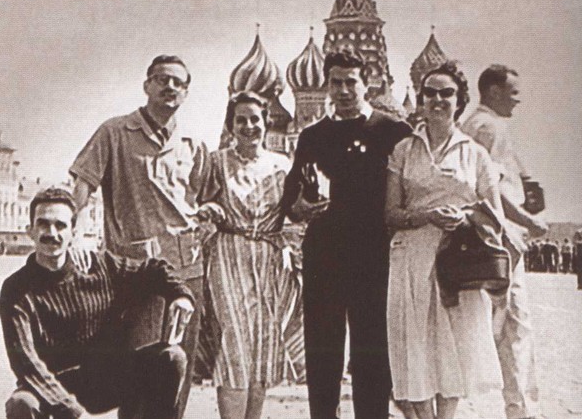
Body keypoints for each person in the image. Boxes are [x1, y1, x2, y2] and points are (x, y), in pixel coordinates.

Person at [69, 55, 209, 418]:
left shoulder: (193, 144)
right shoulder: (114, 132)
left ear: (186, 92)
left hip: (187, 272)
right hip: (137, 274)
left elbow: (205, 199)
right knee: (136, 372)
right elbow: (82, 188)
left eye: (178, 82)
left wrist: (212, 215)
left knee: (178, 369)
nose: (170, 87)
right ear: (147, 85)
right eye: (162, 79)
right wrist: (78, 234)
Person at [281, 50, 412, 419]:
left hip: (375, 259)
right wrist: (299, 208)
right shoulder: (312, 135)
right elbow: (291, 197)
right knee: (323, 352)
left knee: (372, 352)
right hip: (324, 259)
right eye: (335, 82)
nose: (343, 90)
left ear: (366, 83)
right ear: (326, 85)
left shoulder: (393, 132)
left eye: (351, 82)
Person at [0, 187, 195, 419]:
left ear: (73, 233)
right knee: (20, 403)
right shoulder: (15, 289)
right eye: (43, 224)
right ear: (30, 231)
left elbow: (155, 270)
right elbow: (25, 362)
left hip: (104, 378)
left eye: (60, 225)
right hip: (50, 384)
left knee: (171, 358)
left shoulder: (98, 266)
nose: (52, 233)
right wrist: (74, 412)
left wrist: (181, 295)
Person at [386, 61, 503, 419]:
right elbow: (390, 214)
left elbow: (495, 218)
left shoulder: (475, 154)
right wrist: (426, 216)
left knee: (453, 351)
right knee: (415, 351)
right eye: (430, 93)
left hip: (459, 263)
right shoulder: (404, 150)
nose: (437, 100)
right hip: (412, 260)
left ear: (460, 100)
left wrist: (464, 217)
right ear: (420, 99)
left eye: (446, 93)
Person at [196, 91, 302, 418]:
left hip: (271, 261)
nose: (249, 126)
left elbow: (296, 212)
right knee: (235, 347)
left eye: (255, 119)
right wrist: (209, 209)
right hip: (229, 256)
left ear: (266, 122)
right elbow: (198, 200)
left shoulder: (282, 165)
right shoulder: (216, 162)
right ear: (231, 125)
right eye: (240, 120)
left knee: (261, 350)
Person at [460, 64, 548, 419]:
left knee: (496, 324)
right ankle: (521, 409)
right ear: (494, 92)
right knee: (514, 326)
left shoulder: (470, 123)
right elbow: (490, 186)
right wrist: (527, 221)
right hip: (502, 239)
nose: (518, 100)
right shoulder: (489, 127)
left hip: (483, 238)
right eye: (513, 93)